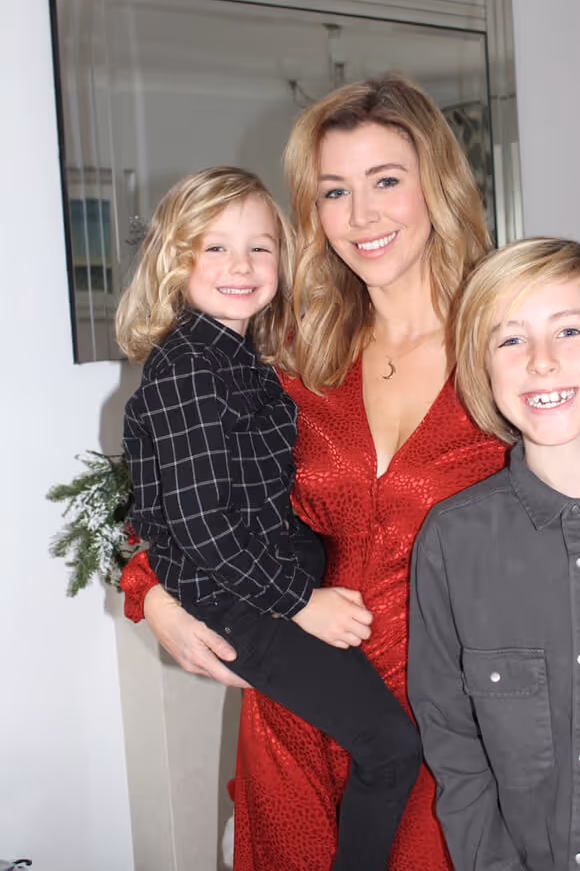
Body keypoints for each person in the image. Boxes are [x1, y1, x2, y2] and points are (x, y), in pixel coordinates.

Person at [121, 76, 508, 871]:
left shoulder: (502, 343)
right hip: (301, 704)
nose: (360, 216)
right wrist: (150, 594)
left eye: (385, 181)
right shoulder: (295, 351)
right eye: (335, 191)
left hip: (448, 711)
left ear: (436, 184)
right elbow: (172, 486)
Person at [115, 165, 423, 871]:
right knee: (389, 747)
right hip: (242, 602)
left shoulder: (239, 356)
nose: (242, 266)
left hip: (264, 582)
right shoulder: (190, 368)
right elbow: (201, 525)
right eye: (215, 248)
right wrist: (301, 602)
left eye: (260, 248)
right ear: (175, 261)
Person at [409, 237, 580, 871]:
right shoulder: (451, 543)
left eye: (569, 331)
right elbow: (455, 749)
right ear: (485, 371)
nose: (542, 362)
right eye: (511, 340)